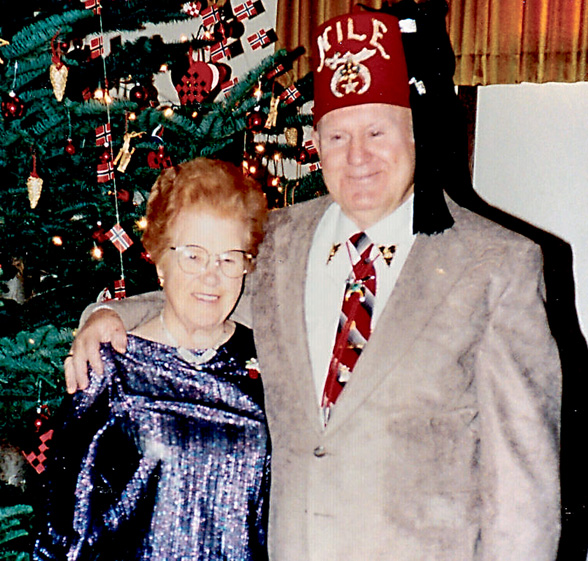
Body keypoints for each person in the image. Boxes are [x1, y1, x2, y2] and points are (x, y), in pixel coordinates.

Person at [64, 7, 562, 561]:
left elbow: (525, 490)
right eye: (338, 135)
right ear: (317, 142)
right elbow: (204, 294)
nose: (359, 157)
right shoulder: (279, 240)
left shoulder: (496, 265)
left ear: (416, 130)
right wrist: (109, 318)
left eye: (377, 131)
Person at [34, 158, 270, 561]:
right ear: (160, 260)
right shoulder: (111, 372)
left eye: (228, 258)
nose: (210, 276)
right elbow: (61, 532)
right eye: (192, 256)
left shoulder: (268, 364)